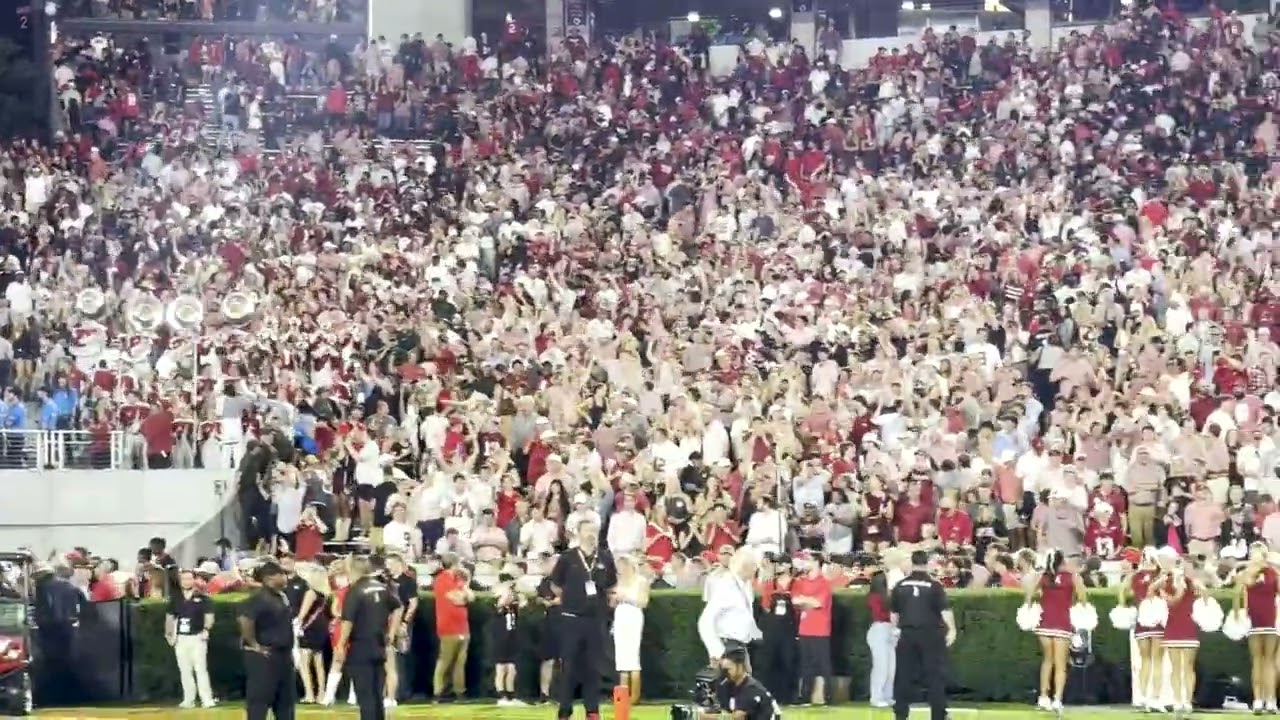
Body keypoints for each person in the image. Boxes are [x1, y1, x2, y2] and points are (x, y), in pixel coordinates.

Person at [548, 519, 618, 720]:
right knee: (568, 666)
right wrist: (571, 599)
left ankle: (592, 709)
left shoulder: (605, 557)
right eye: (586, 531)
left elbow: (612, 585)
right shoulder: (568, 558)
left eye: (593, 531)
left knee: (594, 666)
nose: (590, 535)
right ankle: (565, 709)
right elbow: (556, 585)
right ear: (578, 533)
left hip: (595, 620)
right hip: (572, 619)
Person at [889, 550, 956, 720]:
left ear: (912, 563)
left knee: (904, 674)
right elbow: (945, 610)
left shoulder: (900, 585)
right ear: (927, 563)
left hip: (907, 633)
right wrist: (952, 629)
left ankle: (901, 713)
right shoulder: (934, 585)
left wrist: (896, 630)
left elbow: (894, 613)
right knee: (934, 675)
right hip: (931, 634)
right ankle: (938, 714)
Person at [334, 555, 403, 720]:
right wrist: (391, 632)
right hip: (379, 646)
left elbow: (347, 621)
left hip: (360, 648)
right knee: (376, 693)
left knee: (365, 696)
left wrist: (340, 646)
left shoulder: (355, 591)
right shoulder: (381, 587)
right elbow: (398, 607)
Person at [1026, 549, 1087, 714]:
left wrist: (1038, 600)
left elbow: (1029, 595)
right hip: (1062, 623)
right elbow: (1083, 598)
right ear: (1062, 562)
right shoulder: (1072, 577)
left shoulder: (1043, 576)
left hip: (1045, 622)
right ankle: (1057, 699)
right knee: (1061, 664)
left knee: (1047, 661)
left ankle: (1043, 697)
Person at [237, 560, 297, 720]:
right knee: (259, 701)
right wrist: (254, 645)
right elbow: (245, 619)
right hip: (265, 656)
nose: (285, 577)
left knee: (285, 702)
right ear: (269, 578)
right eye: (281, 574)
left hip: (283, 655)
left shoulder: (280, 597)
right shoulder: (258, 598)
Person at [698, 547, 763, 671]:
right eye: (754, 565)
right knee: (731, 688)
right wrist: (717, 652)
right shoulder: (726, 586)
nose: (756, 569)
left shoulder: (746, 585)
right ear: (744, 566)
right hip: (726, 646)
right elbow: (705, 621)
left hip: (741, 646)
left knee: (744, 686)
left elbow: (746, 613)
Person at [1118, 547, 1166, 713]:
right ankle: (1155, 698)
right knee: (1156, 661)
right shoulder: (1161, 575)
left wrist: (1126, 605)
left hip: (1142, 621)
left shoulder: (1136, 576)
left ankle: (1144, 697)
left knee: (1145, 661)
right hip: (1158, 621)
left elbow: (1123, 592)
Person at [1235, 542, 1278, 713]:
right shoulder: (1248, 573)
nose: (1256, 556)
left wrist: (1271, 566)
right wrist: (1253, 567)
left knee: (1269, 661)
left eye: (1259, 553)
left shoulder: (1272, 572)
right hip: (1254, 621)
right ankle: (1258, 700)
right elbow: (1245, 582)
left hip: (1270, 620)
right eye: (1253, 553)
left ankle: (1271, 700)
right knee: (1257, 661)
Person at [1161, 555, 1206, 717]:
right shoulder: (1167, 582)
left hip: (1189, 626)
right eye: (1181, 565)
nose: (1183, 569)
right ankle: (1177, 699)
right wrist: (1171, 585)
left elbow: (1205, 598)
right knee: (1175, 667)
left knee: (1188, 666)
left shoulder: (1194, 583)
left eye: (1187, 566)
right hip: (1172, 626)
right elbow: (1170, 601)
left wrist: (1199, 587)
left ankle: (1187, 700)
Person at [165, 569, 216, 709]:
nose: (187, 581)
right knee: (184, 670)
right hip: (181, 638)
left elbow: (209, 616)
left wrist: (206, 629)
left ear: (194, 580)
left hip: (197, 637)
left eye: (189, 578)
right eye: (184, 579)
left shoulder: (203, 598)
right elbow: (170, 617)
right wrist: (168, 634)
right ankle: (188, 699)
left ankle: (207, 699)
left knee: (200, 669)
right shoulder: (175, 598)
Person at [432, 554, 474, 703]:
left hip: (463, 627)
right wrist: (463, 595)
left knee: (460, 663)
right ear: (454, 564)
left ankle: (459, 692)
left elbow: (471, 597)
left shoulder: (459, 579)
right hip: (448, 627)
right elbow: (456, 599)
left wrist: (465, 591)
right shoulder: (441, 579)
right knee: (445, 661)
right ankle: (439, 692)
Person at [292, 563, 332, 704]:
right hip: (321, 627)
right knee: (318, 662)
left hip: (309, 628)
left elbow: (302, 614)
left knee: (304, 663)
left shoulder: (311, 593)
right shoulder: (326, 594)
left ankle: (309, 693)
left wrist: (297, 624)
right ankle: (321, 694)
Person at [611, 554, 649, 703]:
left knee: (632, 655)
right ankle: (622, 695)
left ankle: (635, 696)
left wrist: (626, 598)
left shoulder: (641, 581)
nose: (620, 569)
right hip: (620, 617)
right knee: (621, 656)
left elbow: (643, 602)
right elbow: (613, 604)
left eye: (622, 566)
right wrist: (614, 599)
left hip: (633, 617)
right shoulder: (619, 582)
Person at [716, 641, 781, 720]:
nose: (725, 674)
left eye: (727, 670)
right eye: (723, 670)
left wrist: (708, 716)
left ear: (740, 666)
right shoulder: (726, 685)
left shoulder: (752, 689)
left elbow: (737, 717)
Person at [490, 576, 527, 706]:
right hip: (500, 637)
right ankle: (501, 696)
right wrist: (507, 590)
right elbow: (501, 602)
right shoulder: (496, 601)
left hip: (512, 637)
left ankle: (511, 696)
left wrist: (516, 590)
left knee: (512, 668)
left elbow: (523, 602)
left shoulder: (513, 604)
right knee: (501, 668)